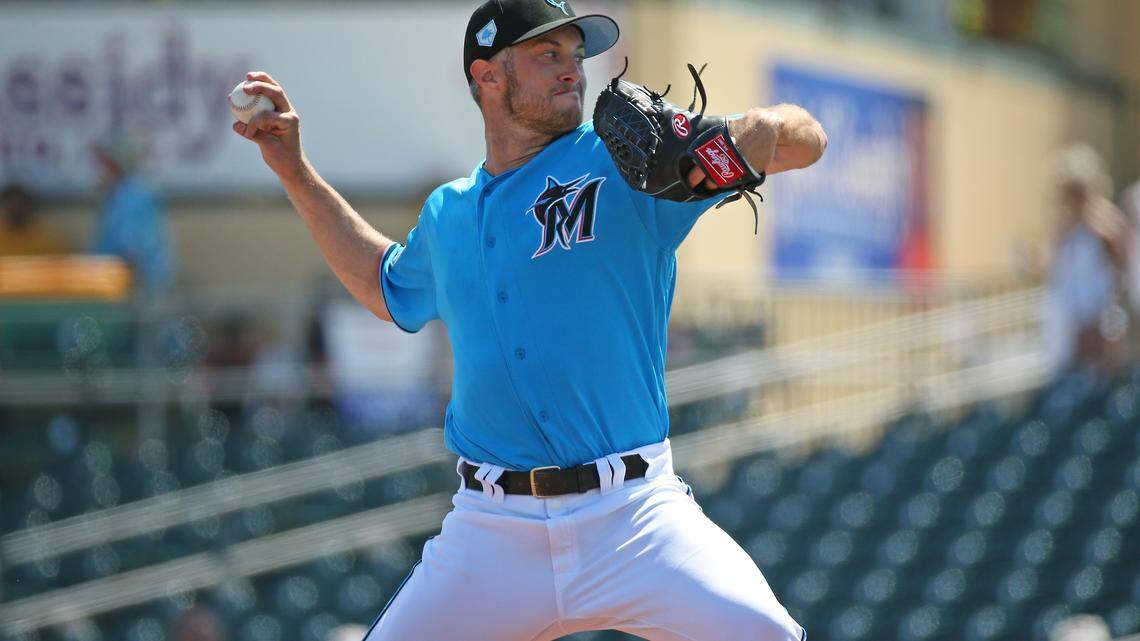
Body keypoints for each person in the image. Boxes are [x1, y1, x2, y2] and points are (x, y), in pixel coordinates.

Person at [232, 1, 826, 638]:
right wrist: (292, 170)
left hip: (634, 517)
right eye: (548, 54)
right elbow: (387, 288)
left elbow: (804, 141)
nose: (572, 69)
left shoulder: (626, 165)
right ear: (488, 75)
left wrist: (752, 132)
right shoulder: (449, 212)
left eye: (576, 54)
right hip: (491, 533)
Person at [1042, 143, 1130, 373]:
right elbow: (1053, 268)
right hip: (1071, 325)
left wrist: (1108, 325)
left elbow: (1121, 275)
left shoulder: (1104, 223)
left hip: (1099, 325)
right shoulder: (1066, 227)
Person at [90, 128, 176, 296]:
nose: (99, 170)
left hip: (133, 295)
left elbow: (131, 252)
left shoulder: (132, 198)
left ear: (115, 164)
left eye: (104, 163)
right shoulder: (119, 195)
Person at [0, 183, 70, 257]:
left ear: (29, 207)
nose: (15, 209)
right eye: (11, 206)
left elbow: (59, 261)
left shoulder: (46, 238)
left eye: (19, 206)